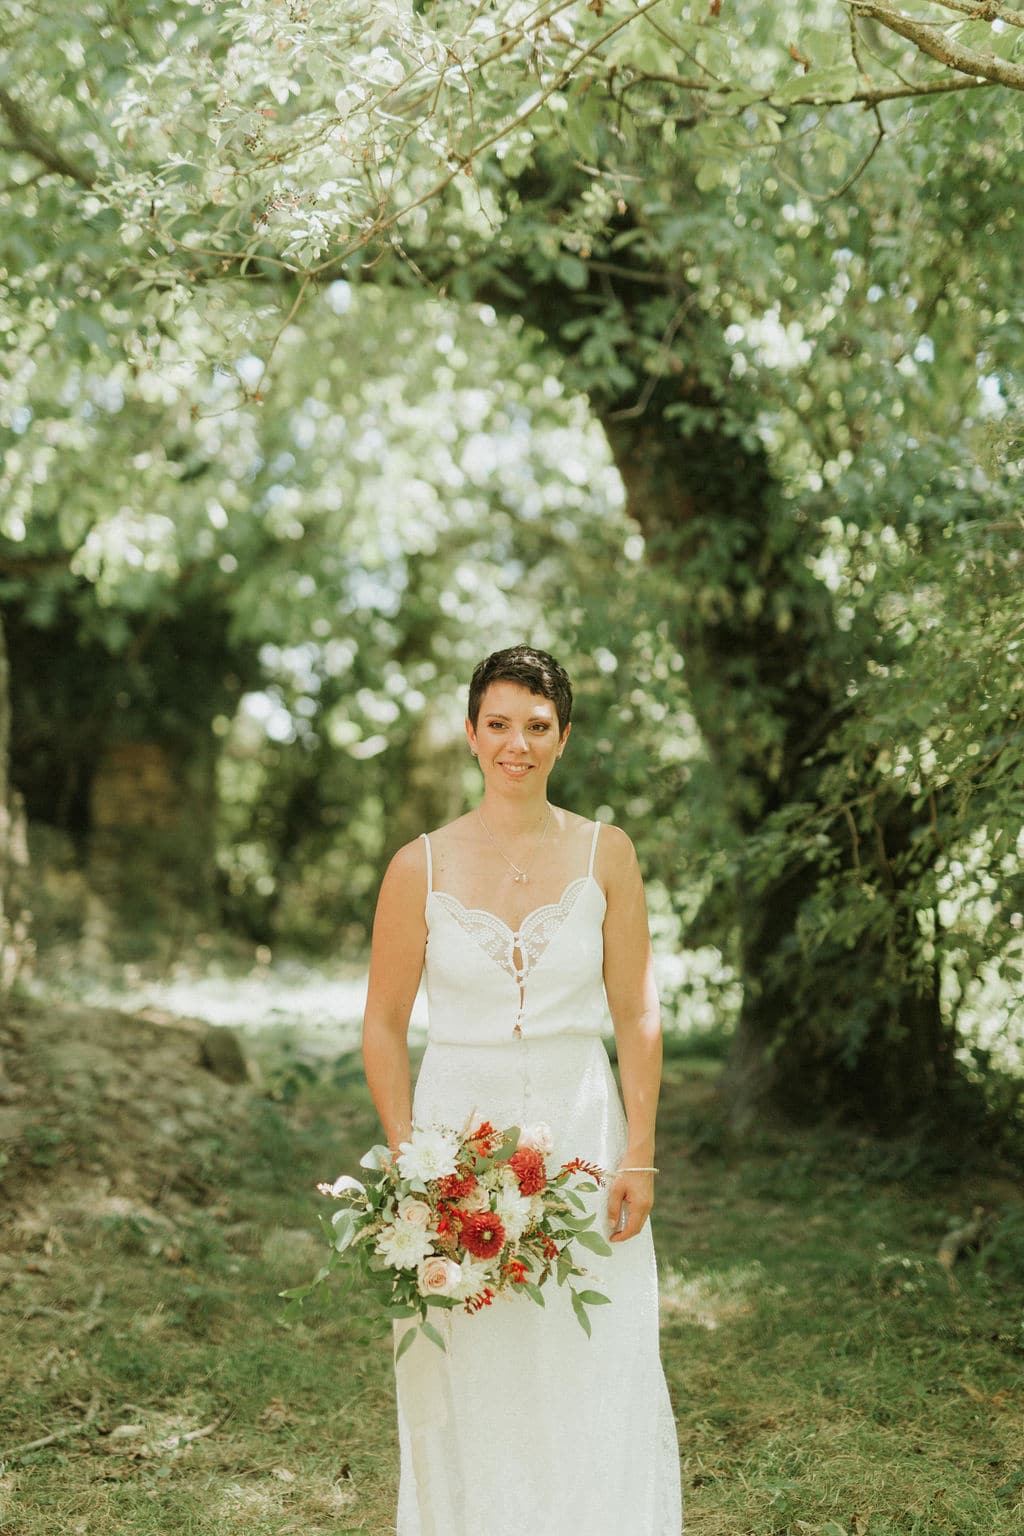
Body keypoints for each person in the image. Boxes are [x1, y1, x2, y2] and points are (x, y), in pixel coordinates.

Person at [362, 644, 682, 1536]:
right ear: (471, 734)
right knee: (473, 1362)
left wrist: (641, 1154)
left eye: (537, 728)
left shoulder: (605, 854)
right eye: (499, 725)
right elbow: (383, 1026)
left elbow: (638, 1014)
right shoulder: (416, 866)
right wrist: (407, 1167)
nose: (517, 745)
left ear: (563, 739)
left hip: (584, 1130)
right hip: (454, 1139)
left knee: (592, 1353)